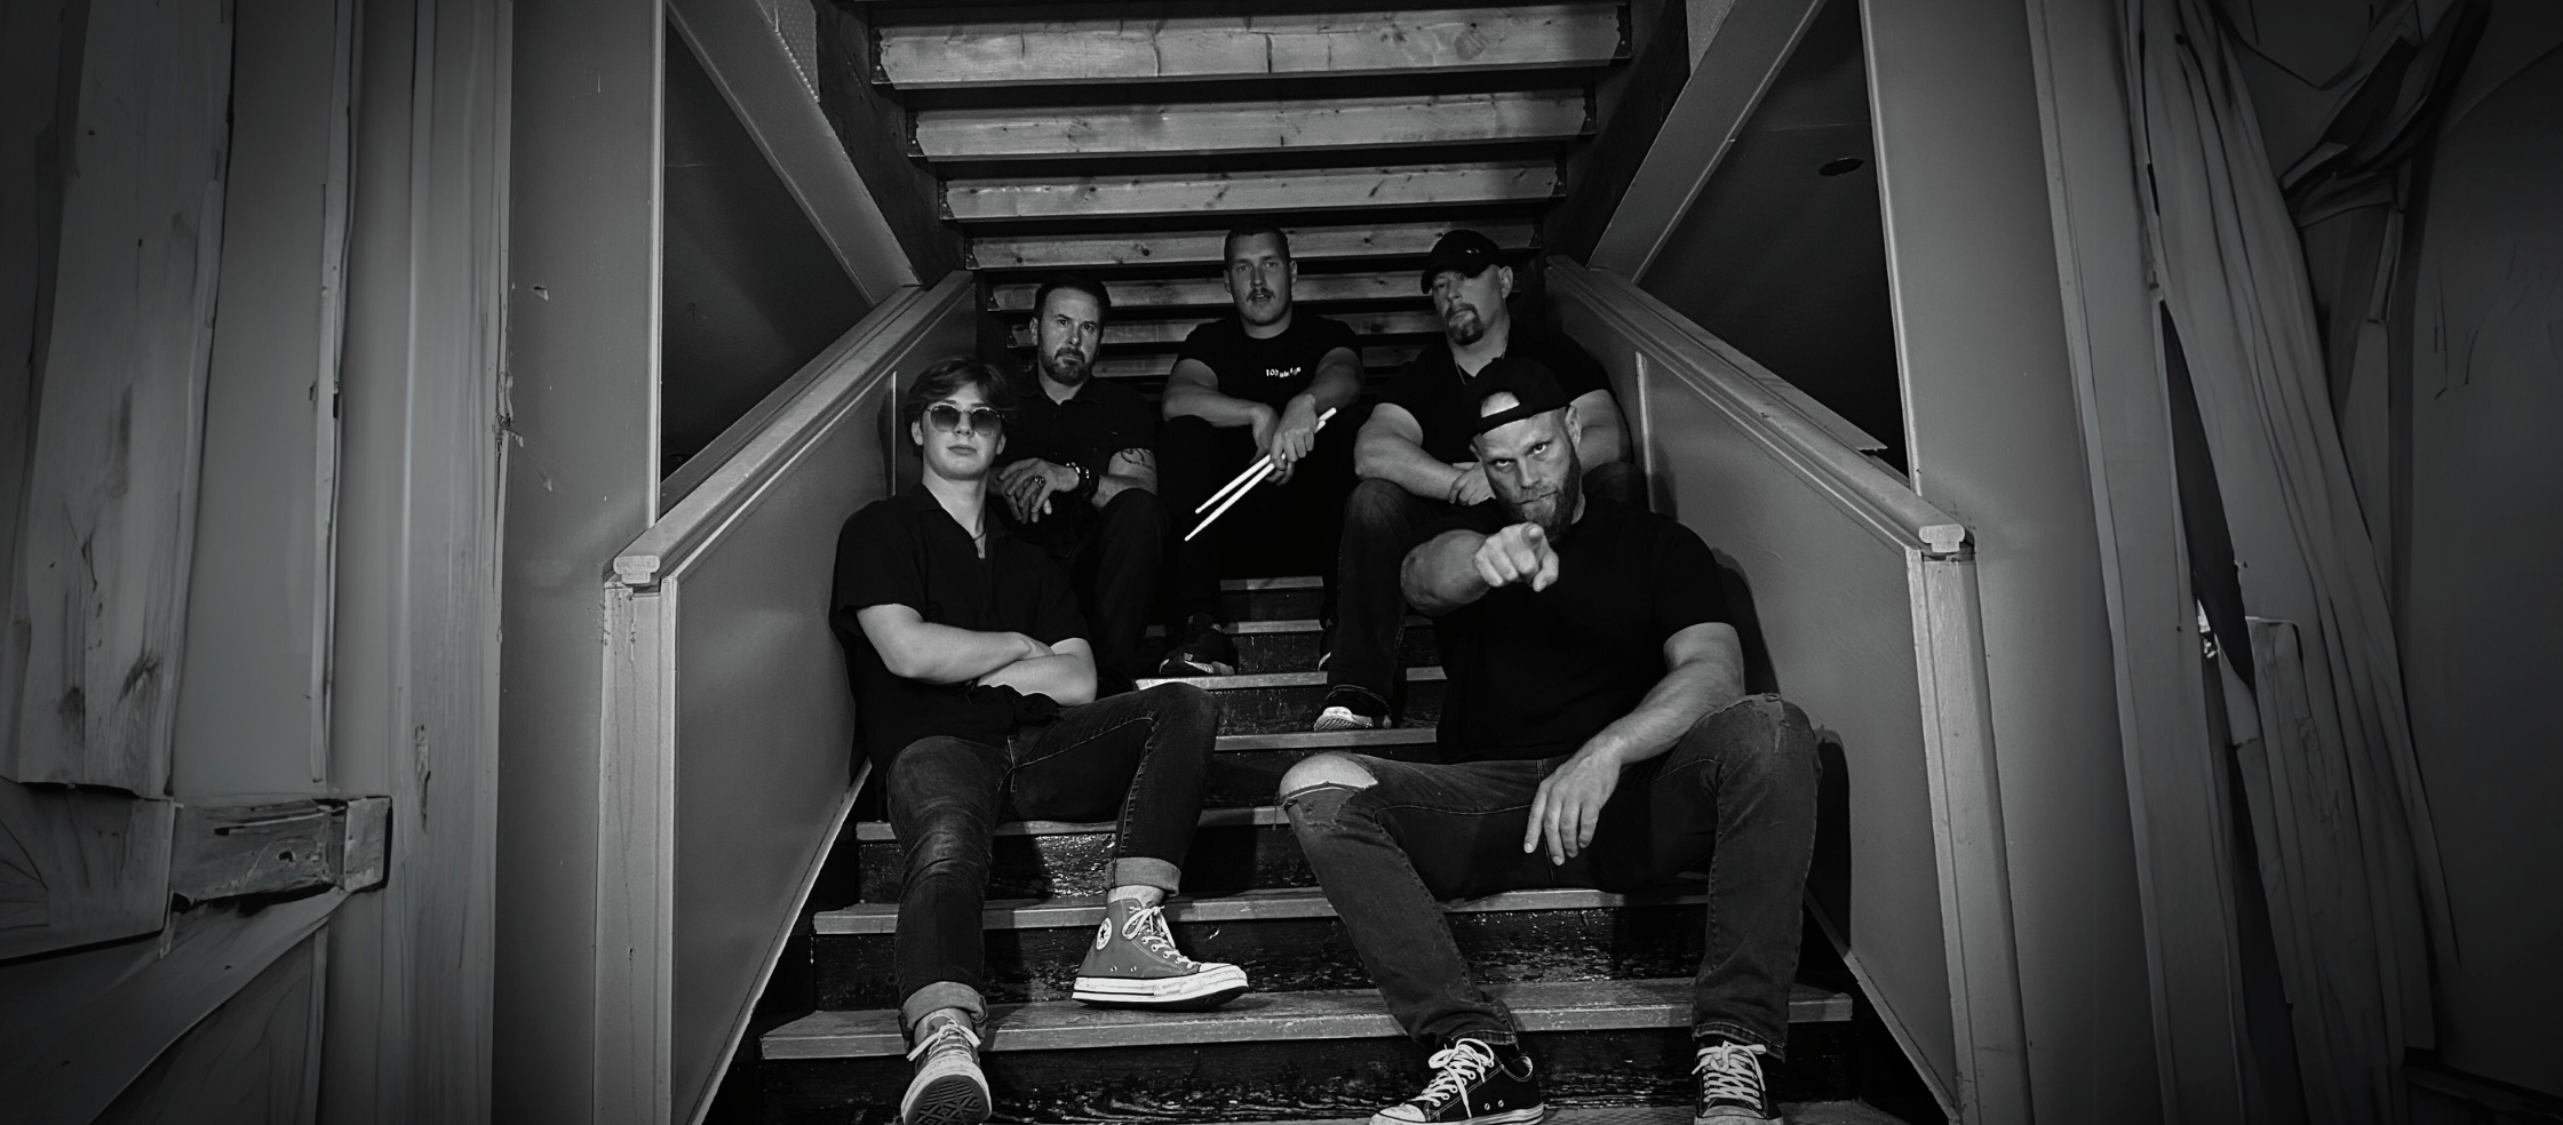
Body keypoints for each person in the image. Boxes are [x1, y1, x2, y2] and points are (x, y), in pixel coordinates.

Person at [1278, 359, 1818, 1125]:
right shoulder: (1465, 542)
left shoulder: (1660, 545)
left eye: (1539, 449)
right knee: (1315, 783)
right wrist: (1481, 561)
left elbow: (1713, 673)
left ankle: (1735, 1048)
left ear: (1572, 429)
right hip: (1488, 807)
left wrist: (1606, 750)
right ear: (1477, 462)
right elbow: (1422, 578)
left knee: (1772, 727)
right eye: (1501, 462)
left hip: (1624, 803)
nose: (1526, 477)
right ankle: (1480, 1052)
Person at [830, 357, 1250, 1125]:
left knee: (1181, 705)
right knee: (948, 845)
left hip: (1036, 746)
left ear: (1000, 438)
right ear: (919, 429)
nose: (964, 428)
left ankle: (1128, 925)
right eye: (946, 414)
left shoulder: (1028, 560)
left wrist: (972, 659)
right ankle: (945, 1035)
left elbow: (1081, 678)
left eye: (981, 417)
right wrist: (1019, 647)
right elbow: (907, 650)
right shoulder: (879, 529)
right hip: (935, 745)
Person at [1315, 229, 1635, 731]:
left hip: (1546, 508)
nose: (1452, 294)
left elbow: (1607, 435)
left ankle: (1623, 680)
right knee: (1373, 500)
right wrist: (1455, 482)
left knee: (1616, 480)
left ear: (1504, 281)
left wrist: (1511, 476)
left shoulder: (1553, 354)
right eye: (1440, 286)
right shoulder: (1426, 373)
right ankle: (1361, 689)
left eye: (1465, 278)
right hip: (1454, 529)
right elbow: (1372, 448)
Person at [1155, 224, 1367, 677]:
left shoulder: (1325, 334)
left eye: (1269, 264)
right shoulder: (1211, 341)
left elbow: (1347, 378)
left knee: (1347, 426)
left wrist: (1303, 403)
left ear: (1292, 271)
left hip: (1318, 530)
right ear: (1226, 280)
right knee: (1182, 434)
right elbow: (1176, 399)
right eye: (1243, 268)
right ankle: (1201, 627)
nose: (1257, 281)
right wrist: (1257, 413)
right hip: (1230, 530)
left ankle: (1345, 625)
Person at [992, 274, 1164, 694]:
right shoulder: (996, 398)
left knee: (1140, 511)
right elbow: (956, 469)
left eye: (1088, 327)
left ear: (1100, 338)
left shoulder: (1124, 405)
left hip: (1092, 579)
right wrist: (1008, 482)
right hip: (1012, 577)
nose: (1074, 339)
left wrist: (1075, 477)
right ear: (1035, 329)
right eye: (1062, 322)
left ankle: (1111, 682)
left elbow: (1142, 492)